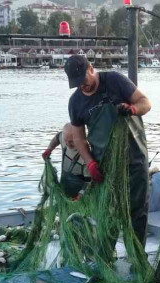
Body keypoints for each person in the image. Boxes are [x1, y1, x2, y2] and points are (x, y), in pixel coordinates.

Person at [64, 54, 151, 245]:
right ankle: (107, 256)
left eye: (84, 80)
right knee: (108, 212)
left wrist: (133, 109)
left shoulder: (114, 80)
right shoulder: (75, 102)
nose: (82, 86)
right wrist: (90, 162)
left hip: (134, 158)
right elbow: (79, 137)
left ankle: (138, 257)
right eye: (77, 83)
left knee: (137, 210)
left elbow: (145, 102)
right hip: (105, 164)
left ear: (91, 69)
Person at [42, 123, 90, 198]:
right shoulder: (65, 139)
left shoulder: (86, 157)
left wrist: (81, 194)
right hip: (64, 192)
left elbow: (89, 182)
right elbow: (57, 137)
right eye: (65, 140)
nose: (68, 144)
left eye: (71, 141)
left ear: (80, 138)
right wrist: (49, 149)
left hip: (79, 196)